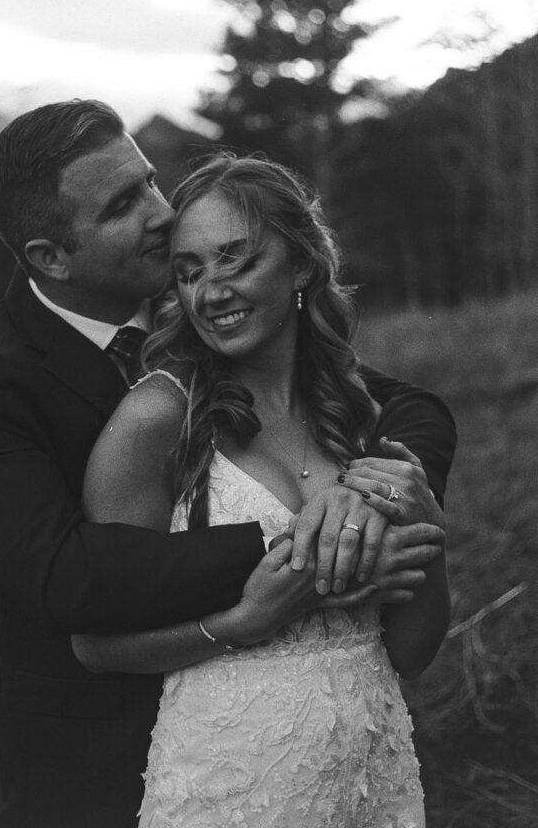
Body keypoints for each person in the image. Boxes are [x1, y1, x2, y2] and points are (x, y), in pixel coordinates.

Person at [0, 100, 456, 828]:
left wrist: (378, 494)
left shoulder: (200, 294)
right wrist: (308, 554)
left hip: (336, 751)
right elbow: (62, 578)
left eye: (147, 182)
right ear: (50, 255)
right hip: (104, 767)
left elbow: (400, 406)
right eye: (120, 205)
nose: (161, 214)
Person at [73, 153, 452, 827]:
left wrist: (428, 537)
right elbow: (95, 645)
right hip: (231, 785)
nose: (209, 291)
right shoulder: (158, 421)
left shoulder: (358, 417)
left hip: (373, 777)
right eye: (188, 271)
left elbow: (411, 654)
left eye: (235, 260)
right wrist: (243, 622)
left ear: (302, 263)